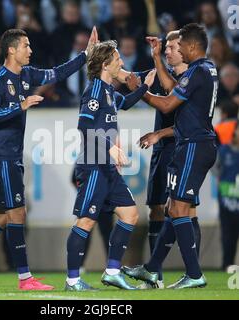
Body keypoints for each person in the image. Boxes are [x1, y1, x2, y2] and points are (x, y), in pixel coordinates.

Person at [0, 26, 99, 291]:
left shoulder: (28, 74)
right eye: (26, 46)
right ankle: (24, 278)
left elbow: (58, 72)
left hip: (11, 155)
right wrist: (19, 106)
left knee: (1, 216)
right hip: (0, 155)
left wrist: (85, 55)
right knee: (16, 213)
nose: (30, 50)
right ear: (11, 49)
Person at [122, 23, 218, 289]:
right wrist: (155, 60)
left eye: (180, 45)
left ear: (192, 46)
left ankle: (194, 274)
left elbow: (166, 103)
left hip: (193, 145)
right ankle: (152, 270)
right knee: (173, 208)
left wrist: (139, 90)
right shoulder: (205, 69)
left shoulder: (198, 71)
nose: (177, 50)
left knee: (178, 209)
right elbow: (173, 87)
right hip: (196, 144)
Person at [65, 40, 156, 291]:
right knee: (85, 222)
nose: (122, 63)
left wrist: (145, 85)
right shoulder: (94, 90)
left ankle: (113, 272)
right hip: (94, 165)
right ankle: (73, 281)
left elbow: (124, 103)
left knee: (130, 214)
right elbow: (84, 125)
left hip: (107, 168)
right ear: (106, 65)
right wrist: (109, 146)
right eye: (117, 59)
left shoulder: (108, 91)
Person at [213, 123, 239, 270]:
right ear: (235, 131)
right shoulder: (224, 150)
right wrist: (221, 179)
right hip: (227, 201)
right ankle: (227, 265)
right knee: (228, 237)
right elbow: (214, 167)